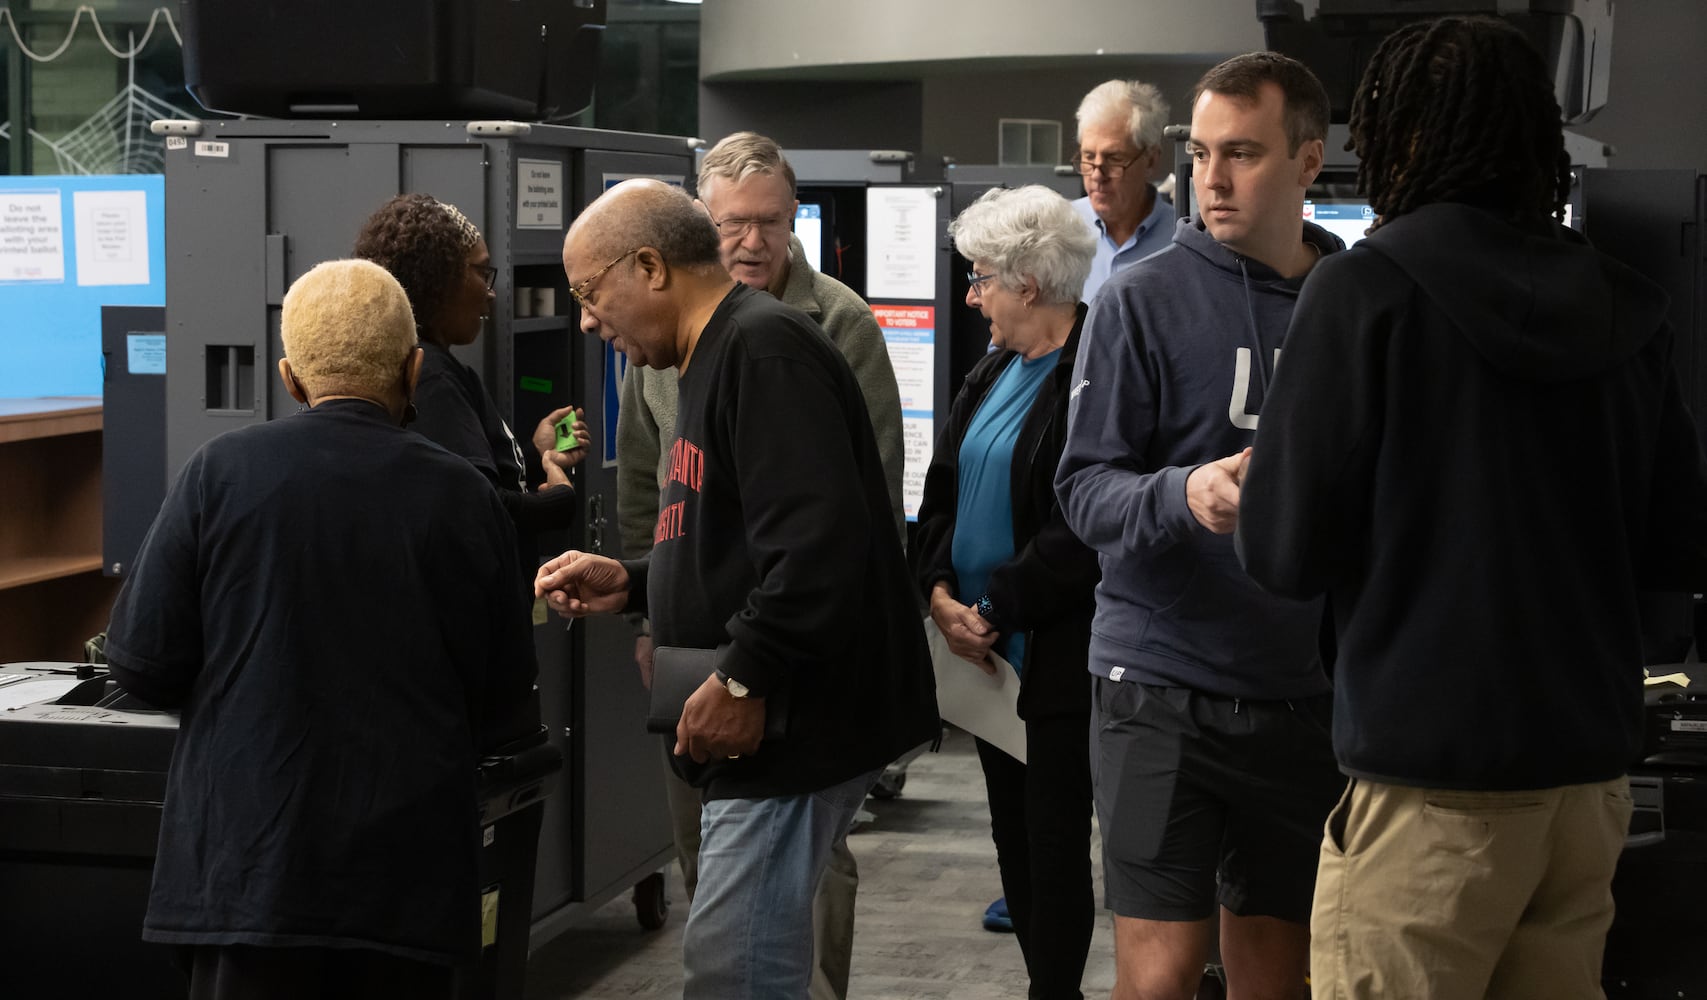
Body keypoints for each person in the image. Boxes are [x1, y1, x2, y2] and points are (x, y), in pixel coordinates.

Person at [1235, 17, 1707, 999]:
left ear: (1403, 137)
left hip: (1427, 789)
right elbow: (1673, 563)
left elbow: (1281, 551)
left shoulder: (1361, 293)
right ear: (1537, 135)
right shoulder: (1632, 304)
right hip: (1585, 789)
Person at [541, 179, 938, 999]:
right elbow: (744, 538)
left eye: (589, 292)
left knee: (735, 975)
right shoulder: (712, 354)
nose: (585, 318)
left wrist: (742, 675)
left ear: (650, 266)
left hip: (792, 728)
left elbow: (821, 550)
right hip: (774, 719)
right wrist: (640, 582)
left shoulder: (763, 350)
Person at [103, 259, 537, 998]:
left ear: (289, 376)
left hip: (249, 881)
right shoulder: (465, 498)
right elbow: (505, 712)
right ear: (413, 367)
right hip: (406, 889)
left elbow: (141, 664)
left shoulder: (219, 474)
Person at [1053, 52, 1345, 1000]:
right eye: (1202, 153)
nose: (1211, 180)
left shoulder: (1353, 307)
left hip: (1303, 692)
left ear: (1309, 162)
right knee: (1161, 974)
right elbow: (1085, 491)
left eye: (1244, 154)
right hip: (1156, 684)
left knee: (1275, 973)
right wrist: (1184, 496)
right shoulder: (1137, 298)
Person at [914, 185, 1101, 1000]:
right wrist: (938, 592)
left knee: (1052, 845)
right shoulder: (991, 367)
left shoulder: (1097, 368)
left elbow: (1083, 524)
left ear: (1029, 282)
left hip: (1052, 656)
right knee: (1012, 841)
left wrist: (995, 609)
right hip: (982, 656)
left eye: (981, 276)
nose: (970, 292)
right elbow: (941, 490)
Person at [354, 193, 590, 554]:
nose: (491, 293)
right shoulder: (431, 377)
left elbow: (467, 477)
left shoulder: (428, 366)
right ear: (439, 279)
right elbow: (478, 508)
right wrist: (558, 501)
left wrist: (533, 453)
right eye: (482, 273)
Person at [1072, 79, 1176, 303]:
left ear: (1150, 160)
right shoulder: (1057, 230)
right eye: (1088, 157)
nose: (1097, 175)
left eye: (1114, 159)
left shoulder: (1182, 240)